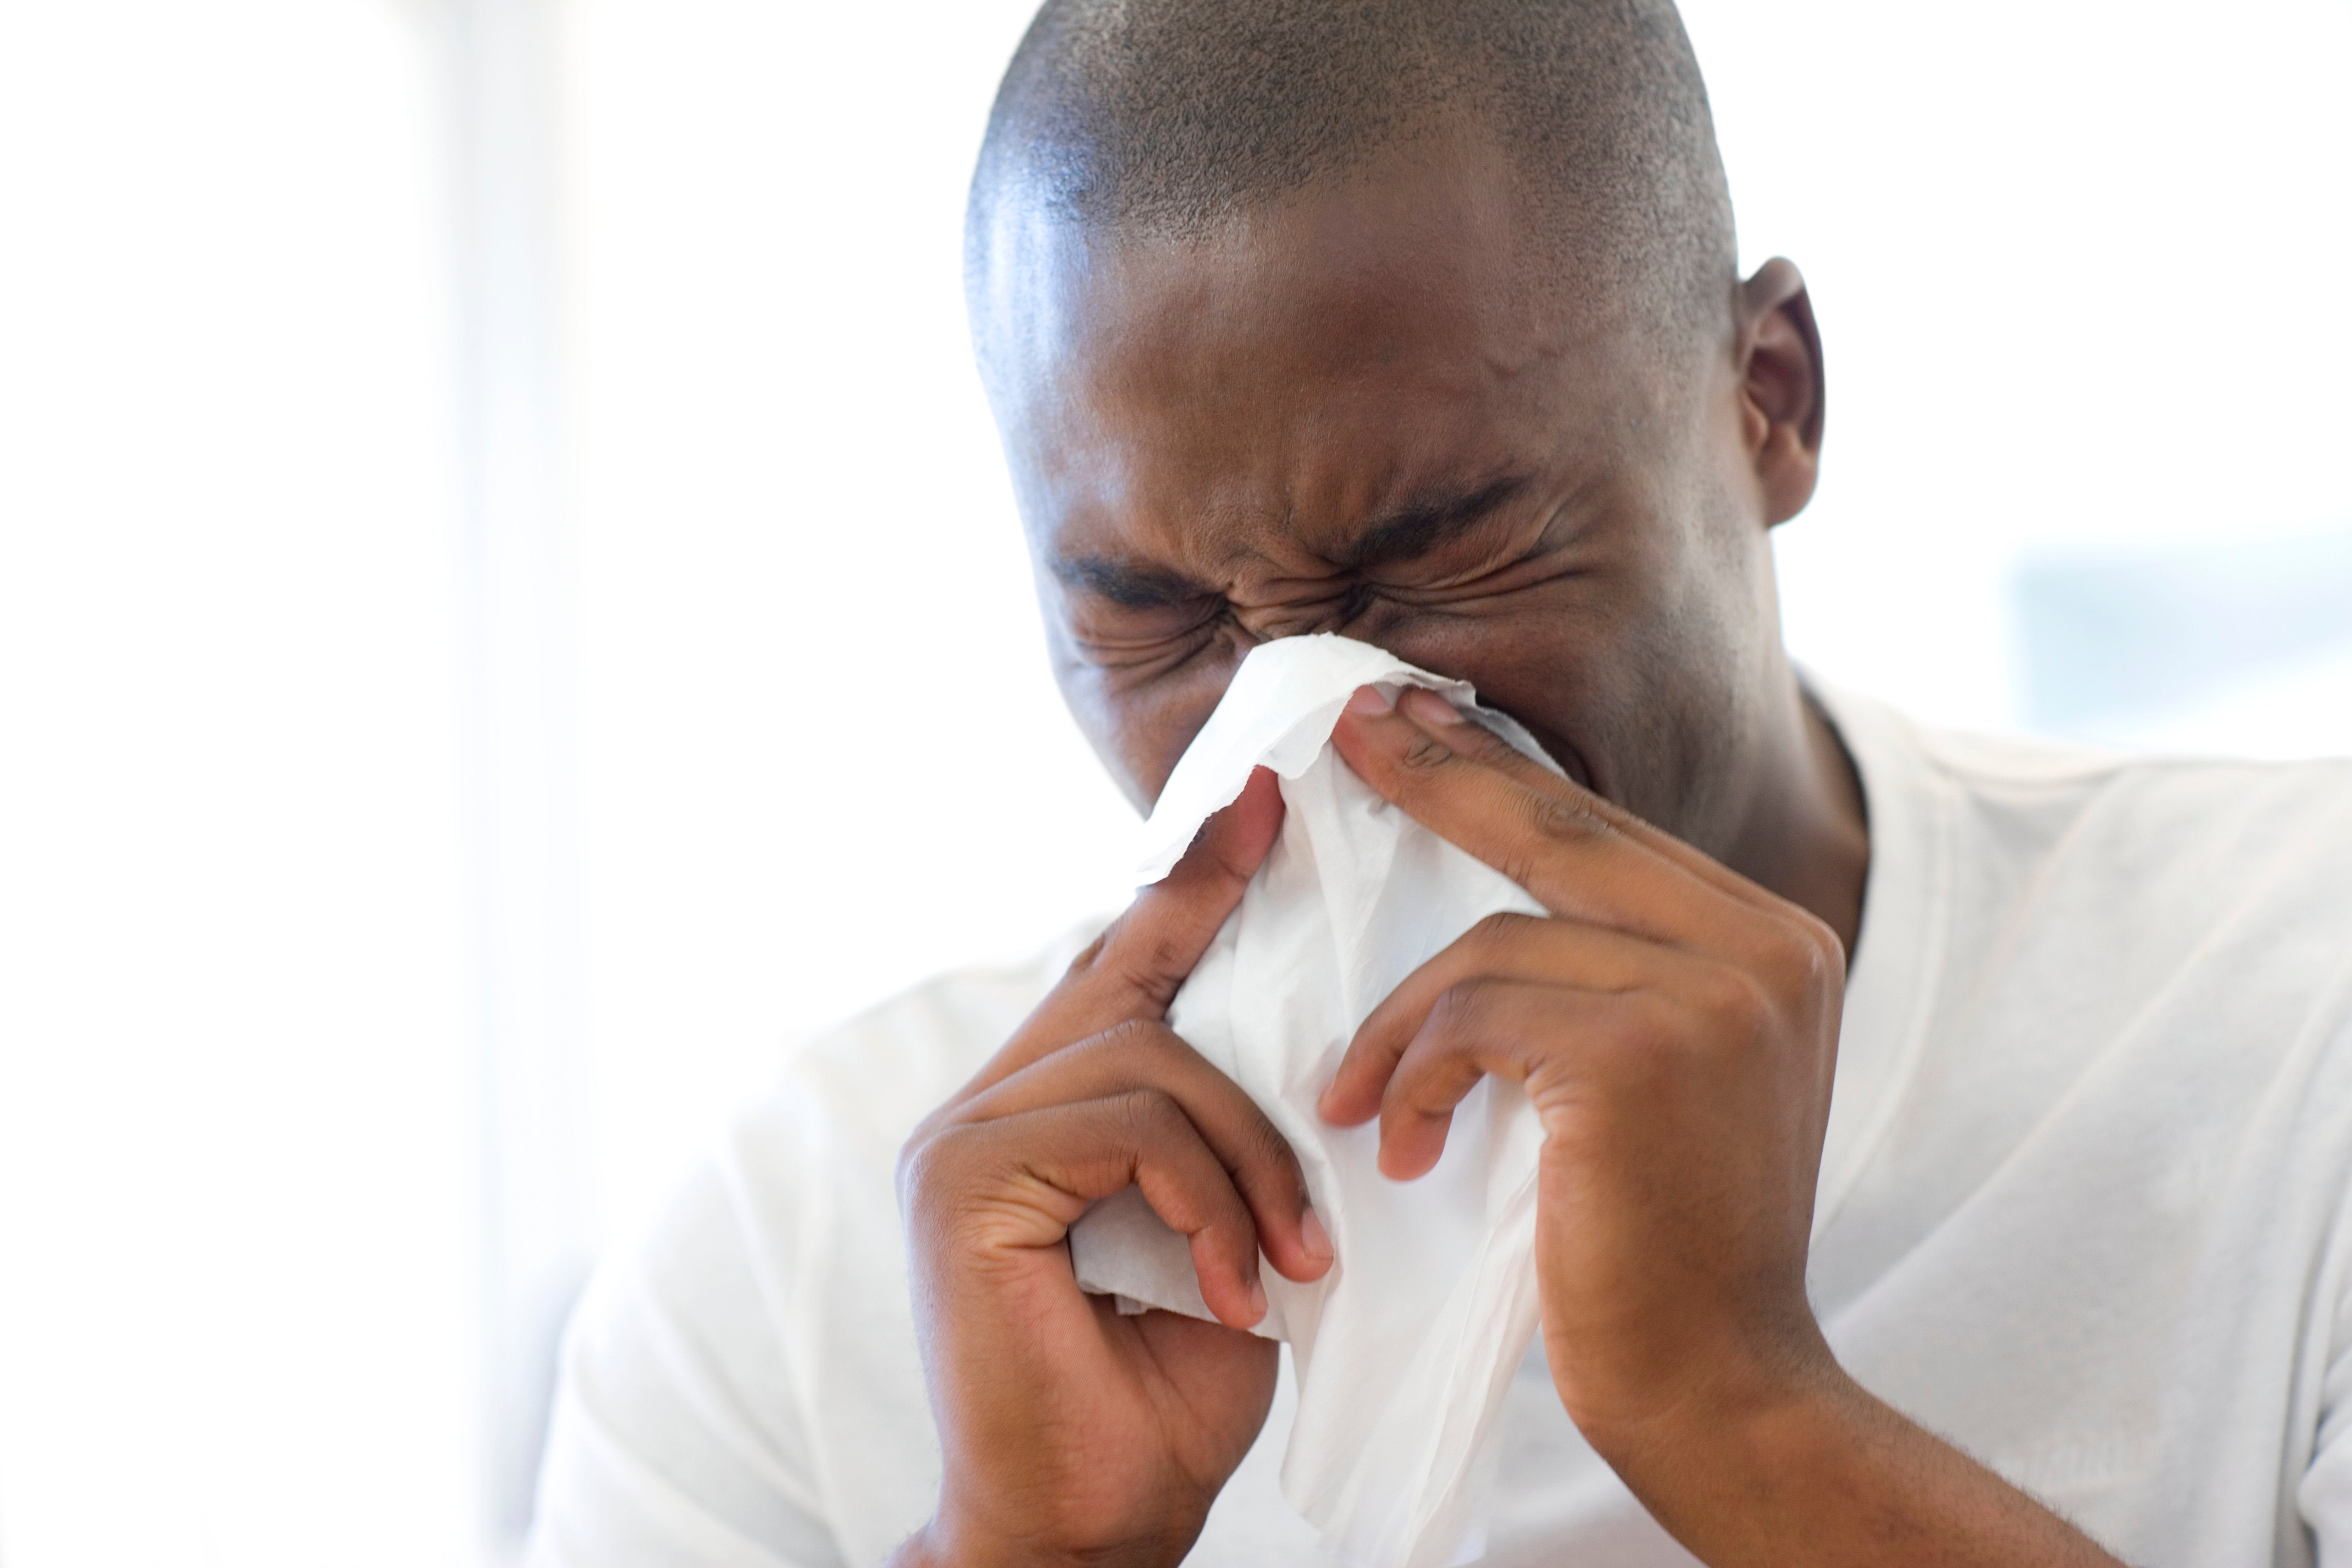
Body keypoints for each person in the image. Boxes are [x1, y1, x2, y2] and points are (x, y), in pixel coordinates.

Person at [526, 1, 2352, 1563]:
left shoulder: (2290, 1022)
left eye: (1429, 560)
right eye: (1153, 612)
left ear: (1766, 400)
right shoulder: (806, 1255)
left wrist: (1742, 1411)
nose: (1307, 724)